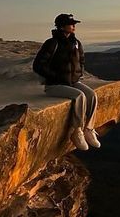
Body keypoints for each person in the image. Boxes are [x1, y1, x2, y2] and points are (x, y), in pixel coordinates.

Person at [32, 13, 101, 151]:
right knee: (79, 96)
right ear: (62, 26)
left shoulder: (76, 43)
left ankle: (89, 129)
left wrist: (78, 74)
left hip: (72, 82)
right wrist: (55, 76)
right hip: (54, 85)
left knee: (92, 95)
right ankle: (77, 131)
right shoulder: (52, 43)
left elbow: (81, 60)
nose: (74, 26)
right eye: (71, 24)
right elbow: (38, 65)